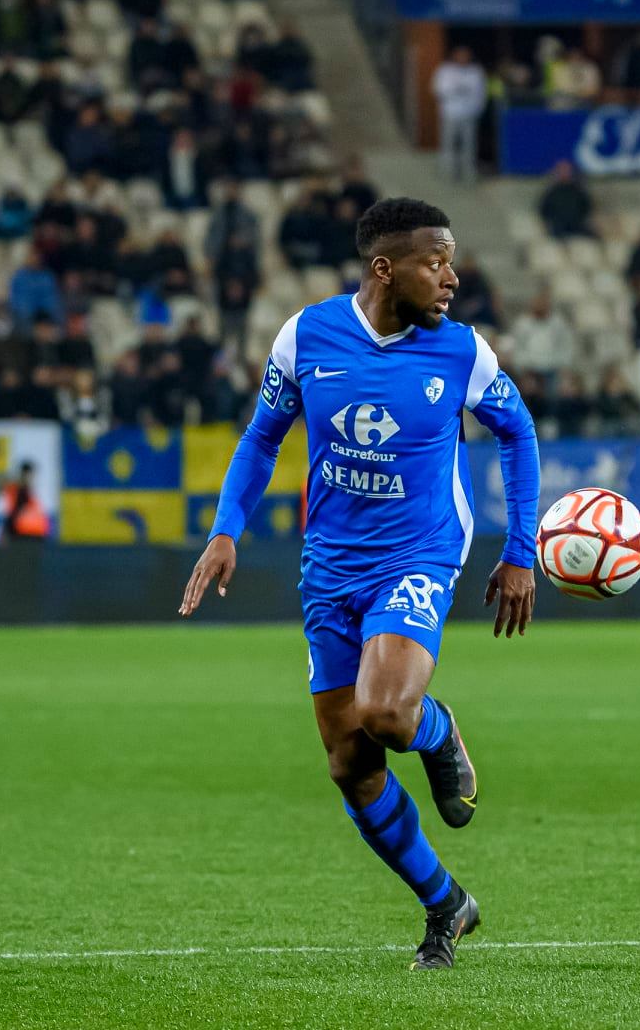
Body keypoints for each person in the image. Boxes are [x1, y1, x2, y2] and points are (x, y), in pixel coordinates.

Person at [178, 198, 540, 972]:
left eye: (451, 260)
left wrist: (521, 549)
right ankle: (447, 905)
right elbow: (261, 435)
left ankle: (438, 733)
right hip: (331, 564)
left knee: (386, 710)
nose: (450, 276)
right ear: (385, 268)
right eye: (434, 262)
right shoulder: (306, 336)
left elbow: (518, 430)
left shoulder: (462, 351)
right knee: (350, 761)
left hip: (420, 551)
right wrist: (225, 530)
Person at [431, 48, 486, 184]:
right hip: (451, 113)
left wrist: (477, 110)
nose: (463, 59)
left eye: (465, 56)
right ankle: (448, 173)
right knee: (449, 144)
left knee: (468, 145)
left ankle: (468, 173)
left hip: (468, 114)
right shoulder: (445, 70)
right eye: (460, 56)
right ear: (455, 56)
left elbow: (480, 93)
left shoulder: (475, 72)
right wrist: (456, 90)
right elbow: (439, 90)